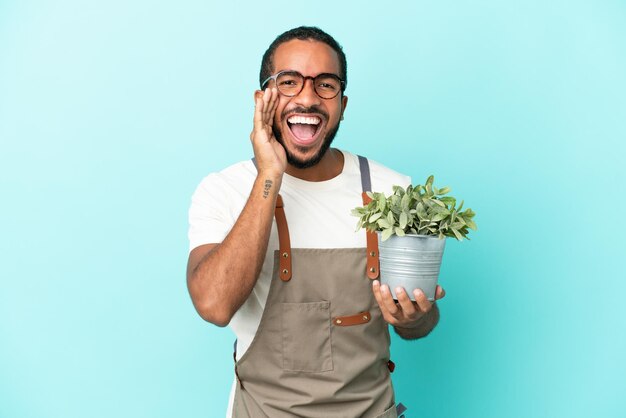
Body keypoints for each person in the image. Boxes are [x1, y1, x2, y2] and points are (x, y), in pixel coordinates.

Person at [187, 26, 445, 418]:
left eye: (325, 85)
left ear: (342, 103)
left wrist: (416, 316)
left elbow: (419, 323)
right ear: (263, 99)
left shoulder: (393, 189)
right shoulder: (224, 189)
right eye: (289, 82)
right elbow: (215, 305)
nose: (307, 98)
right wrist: (269, 175)